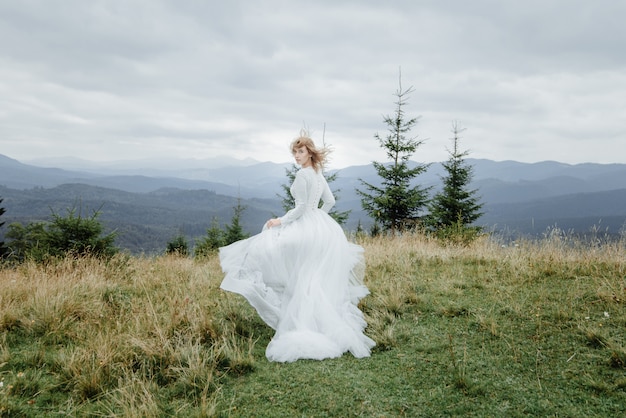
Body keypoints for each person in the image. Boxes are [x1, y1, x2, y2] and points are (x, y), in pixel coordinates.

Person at [219, 133, 375, 362]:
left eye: (300, 151)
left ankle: (298, 318)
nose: (296, 156)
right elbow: (329, 202)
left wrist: (279, 221)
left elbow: (301, 208)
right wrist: (318, 221)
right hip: (322, 228)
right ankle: (317, 320)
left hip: (305, 224)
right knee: (311, 276)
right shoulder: (318, 174)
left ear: (310, 152)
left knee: (273, 252)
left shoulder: (303, 175)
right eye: (294, 152)